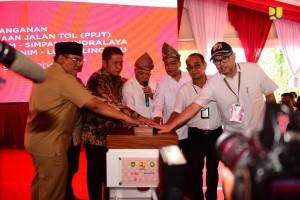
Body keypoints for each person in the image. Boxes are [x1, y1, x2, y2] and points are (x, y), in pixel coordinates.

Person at [24, 42, 143, 200]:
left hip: (37, 140)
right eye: (75, 60)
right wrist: (128, 117)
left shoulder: (47, 73)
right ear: (60, 58)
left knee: (41, 185)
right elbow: (94, 103)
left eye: (81, 60)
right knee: (54, 192)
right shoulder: (64, 79)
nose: (79, 65)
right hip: (51, 143)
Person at [154, 41, 278, 142]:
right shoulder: (214, 83)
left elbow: (269, 94)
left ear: (233, 56)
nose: (221, 63)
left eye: (224, 58)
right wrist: (170, 125)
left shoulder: (253, 70)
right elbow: (194, 107)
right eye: (217, 60)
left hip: (260, 132)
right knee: (240, 172)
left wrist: (273, 122)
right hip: (234, 138)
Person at [81, 46, 154, 200]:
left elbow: (133, 87)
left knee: (111, 176)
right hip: (95, 137)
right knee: (96, 175)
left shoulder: (120, 81)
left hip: (113, 137)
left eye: (121, 63)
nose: (119, 67)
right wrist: (136, 117)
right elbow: (112, 103)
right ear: (104, 63)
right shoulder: (97, 79)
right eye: (115, 63)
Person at [173, 53, 223, 200]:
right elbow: (177, 113)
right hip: (195, 136)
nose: (193, 70)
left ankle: (212, 197)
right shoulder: (184, 90)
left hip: (216, 134)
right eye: (189, 67)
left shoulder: (217, 84)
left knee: (213, 170)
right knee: (195, 171)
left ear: (204, 65)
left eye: (197, 65)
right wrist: (166, 127)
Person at [152, 42, 191, 153]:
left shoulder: (190, 78)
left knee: (192, 166)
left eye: (173, 63)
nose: (169, 67)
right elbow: (158, 105)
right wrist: (157, 125)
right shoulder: (162, 83)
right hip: (172, 132)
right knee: (172, 167)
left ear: (179, 63)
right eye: (167, 64)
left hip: (191, 131)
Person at [122, 52, 155, 118]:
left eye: (148, 74)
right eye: (141, 73)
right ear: (135, 71)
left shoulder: (154, 84)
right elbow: (130, 106)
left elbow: (160, 105)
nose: (145, 76)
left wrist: (151, 95)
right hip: (137, 123)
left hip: (154, 123)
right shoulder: (129, 86)